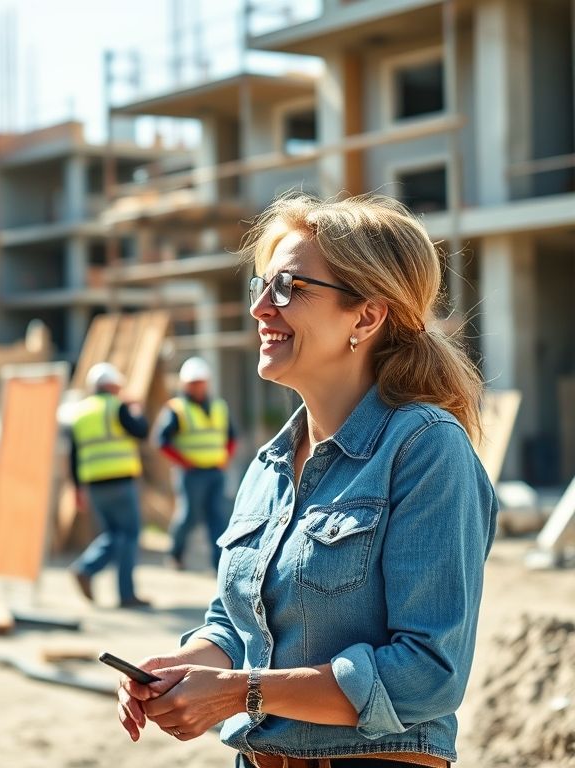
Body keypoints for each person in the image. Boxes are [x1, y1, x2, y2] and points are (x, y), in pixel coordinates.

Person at [115, 192, 498, 768]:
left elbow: (429, 674)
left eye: (287, 287)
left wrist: (240, 692)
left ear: (366, 317)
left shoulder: (425, 449)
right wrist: (184, 667)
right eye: (261, 286)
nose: (259, 308)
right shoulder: (268, 465)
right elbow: (236, 625)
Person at [69, 362, 152, 608]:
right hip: (120, 480)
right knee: (128, 535)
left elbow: (74, 454)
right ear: (113, 386)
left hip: (93, 483)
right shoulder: (117, 407)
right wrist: (135, 411)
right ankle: (122, 591)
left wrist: (77, 488)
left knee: (114, 534)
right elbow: (141, 431)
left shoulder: (80, 412)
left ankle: (86, 568)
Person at [155, 356, 237, 570]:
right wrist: (183, 462)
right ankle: (175, 552)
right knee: (188, 517)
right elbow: (162, 441)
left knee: (217, 517)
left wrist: (226, 458)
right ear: (184, 384)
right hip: (190, 474)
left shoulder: (219, 406)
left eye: (200, 382)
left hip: (215, 471)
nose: (197, 386)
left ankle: (219, 564)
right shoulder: (176, 409)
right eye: (193, 383)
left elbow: (231, 437)